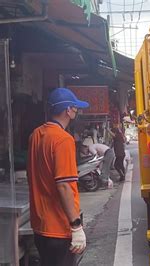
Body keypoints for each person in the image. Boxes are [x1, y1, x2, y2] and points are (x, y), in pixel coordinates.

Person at [27, 88, 89, 266]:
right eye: (75, 108)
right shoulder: (63, 139)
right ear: (68, 110)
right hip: (58, 228)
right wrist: (76, 226)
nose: (76, 112)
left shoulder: (35, 135)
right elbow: (63, 186)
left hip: (40, 227)